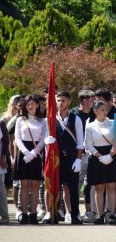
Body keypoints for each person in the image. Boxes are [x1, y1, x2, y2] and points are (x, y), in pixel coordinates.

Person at [42, 91, 84, 225]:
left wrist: (78, 159)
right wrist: (46, 141)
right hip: (56, 159)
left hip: (71, 158)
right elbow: (46, 138)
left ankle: (75, 215)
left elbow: (80, 141)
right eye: (58, 100)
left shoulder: (76, 118)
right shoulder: (51, 119)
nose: (60, 103)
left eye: (63, 100)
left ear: (69, 102)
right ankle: (52, 214)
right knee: (53, 187)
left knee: (72, 188)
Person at [85, 100, 116, 225]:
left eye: (106, 109)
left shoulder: (113, 123)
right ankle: (100, 215)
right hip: (97, 158)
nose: (105, 112)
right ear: (95, 111)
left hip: (112, 155)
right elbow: (88, 144)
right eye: (102, 110)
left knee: (112, 186)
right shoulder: (90, 126)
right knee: (99, 187)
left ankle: (112, 214)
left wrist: (110, 155)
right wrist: (100, 156)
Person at [14, 94, 46, 224]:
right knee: (24, 185)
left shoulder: (42, 121)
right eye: (27, 104)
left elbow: (44, 139)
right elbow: (17, 138)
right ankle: (24, 213)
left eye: (32, 104)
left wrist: (34, 152)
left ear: (37, 105)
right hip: (23, 153)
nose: (30, 106)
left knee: (35, 184)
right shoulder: (20, 120)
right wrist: (26, 152)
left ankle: (33, 213)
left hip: (36, 153)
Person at [71, 89, 96, 223]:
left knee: (90, 184)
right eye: (92, 100)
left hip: (92, 154)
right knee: (75, 184)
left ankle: (89, 211)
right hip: (78, 155)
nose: (94, 102)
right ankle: (73, 212)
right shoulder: (73, 115)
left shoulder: (94, 114)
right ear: (84, 100)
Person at [0, 119, 10, 224]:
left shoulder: (1, 123)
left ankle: (4, 215)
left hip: (0, 161)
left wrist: (2, 157)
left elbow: (6, 141)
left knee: (0, 189)